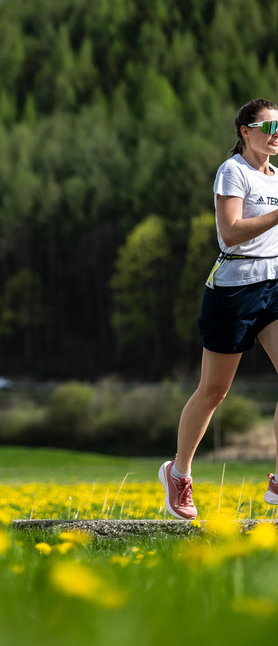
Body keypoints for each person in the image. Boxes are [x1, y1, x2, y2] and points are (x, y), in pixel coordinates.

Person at [160, 98, 278, 520]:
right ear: (246, 131)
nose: (277, 134)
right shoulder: (233, 171)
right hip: (233, 291)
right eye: (270, 126)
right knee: (214, 392)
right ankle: (178, 473)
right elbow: (230, 233)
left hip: (274, 287)